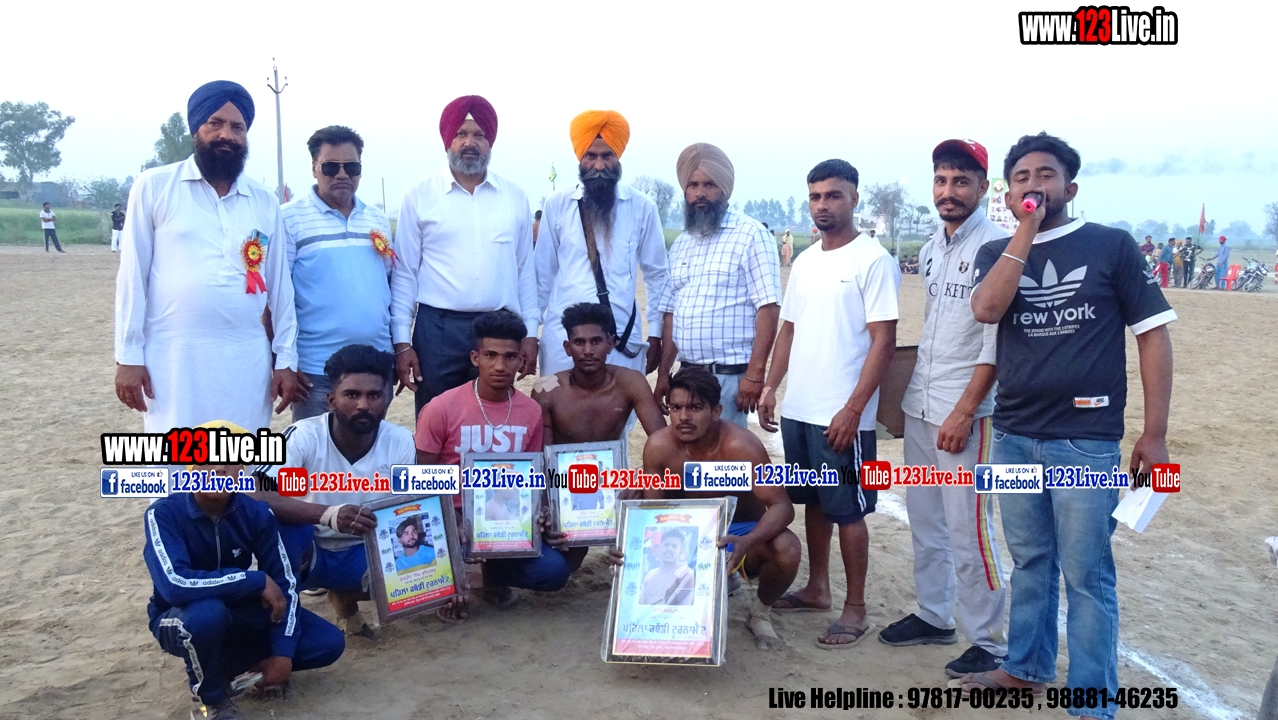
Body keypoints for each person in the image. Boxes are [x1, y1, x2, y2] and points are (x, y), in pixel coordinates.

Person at [966, 133, 1174, 719]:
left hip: (1086, 441)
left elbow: (1153, 336)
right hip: (1013, 436)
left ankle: (1091, 702)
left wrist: (1155, 433)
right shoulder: (997, 252)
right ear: (1008, 193)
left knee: (1087, 576)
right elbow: (986, 309)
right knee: (1031, 561)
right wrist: (1026, 232)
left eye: (1046, 175)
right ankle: (1025, 667)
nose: (1034, 185)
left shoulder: (1111, 245)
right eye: (1022, 178)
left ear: (1070, 187)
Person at [758, 159, 900, 650]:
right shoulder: (804, 261)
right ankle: (817, 589)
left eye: (834, 195)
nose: (823, 205)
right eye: (816, 196)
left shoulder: (872, 260)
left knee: (849, 511)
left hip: (843, 415)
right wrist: (771, 387)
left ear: (854, 199)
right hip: (800, 408)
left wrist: (854, 409)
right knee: (815, 503)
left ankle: (855, 608)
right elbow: (790, 328)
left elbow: (884, 341)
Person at [880, 140, 1008, 677]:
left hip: (966, 411)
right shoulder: (934, 246)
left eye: (960, 181)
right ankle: (935, 615)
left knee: (969, 528)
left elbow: (997, 341)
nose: (948, 191)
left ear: (983, 187)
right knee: (926, 519)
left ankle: (989, 641)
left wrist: (966, 408)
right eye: (941, 180)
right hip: (922, 403)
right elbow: (935, 326)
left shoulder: (998, 245)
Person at [115, 81, 303, 435]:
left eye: (237, 127)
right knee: (177, 452)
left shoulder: (263, 199)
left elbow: (281, 288)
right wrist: (128, 356)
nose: (226, 135)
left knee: (244, 451)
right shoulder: (154, 186)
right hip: (173, 358)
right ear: (195, 129)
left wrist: (286, 360)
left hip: (246, 358)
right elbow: (132, 278)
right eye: (214, 123)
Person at [144, 443, 343, 719]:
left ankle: (232, 669)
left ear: (242, 470)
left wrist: (283, 654)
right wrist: (252, 580)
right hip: (178, 616)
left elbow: (285, 583)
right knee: (207, 614)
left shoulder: (256, 512)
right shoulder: (164, 513)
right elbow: (175, 585)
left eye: (230, 461)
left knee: (327, 642)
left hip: (238, 609)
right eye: (206, 461)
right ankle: (210, 700)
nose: (219, 468)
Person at [610, 367, 800, 649]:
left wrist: (748, 540)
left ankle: (760, 613)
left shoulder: (741, 447)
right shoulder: (659, 446)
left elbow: (782, 506)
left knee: (787, 548)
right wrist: (629, 542)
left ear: (716, 411)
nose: (683, 417)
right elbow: (653, 515)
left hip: (737, 532)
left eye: (695, 408)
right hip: (686, 532)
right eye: (676, 408)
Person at [252, 344, 428, 638]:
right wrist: (328, 515)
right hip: (311, 547)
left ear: (386, 398)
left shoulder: (399, 440)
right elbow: (253, 493)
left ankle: (346, 599)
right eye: (352, 395)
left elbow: (416, 507)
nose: (363, 405)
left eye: (374, 395)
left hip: (365, 550)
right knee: (281, 529)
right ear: (331, 399)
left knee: (425, 569)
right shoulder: (303, 435)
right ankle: (279, 626)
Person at [415, 309, 574, 616]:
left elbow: (531, 479)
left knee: (553, 572)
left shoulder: (530, 411)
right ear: (475, 358)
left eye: (510, 357)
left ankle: (488, 576)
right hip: (452, 517)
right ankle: (453, 577)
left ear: (521, 360)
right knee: (434, 560)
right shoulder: (441, 407)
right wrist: (452, 522)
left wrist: (539, 513)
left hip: (505, 519)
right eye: (490, 355)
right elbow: (422, 478)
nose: (500, 366)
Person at [392, 96, 539, 418]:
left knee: (495, 418)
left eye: (479, 135)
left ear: (490, 142)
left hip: (499, 328)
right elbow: (405, 273)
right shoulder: (419, 195)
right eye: (461, 134)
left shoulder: (514, 197)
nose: (470, 143)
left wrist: (530, 333)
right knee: (435, 417)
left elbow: (525, 270)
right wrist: (402, 342)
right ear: (448, 139)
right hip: (437, 330)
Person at [655, 143, 781, 428]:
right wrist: (663, 373)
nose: (700, 193)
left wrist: (754, 374)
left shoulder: (751, 235)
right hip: (686, 378)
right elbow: (671, 313)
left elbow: (768, 307)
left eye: (709, 184)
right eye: (693, 185)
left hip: (730, 379)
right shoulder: (681, 244)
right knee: (687, 452)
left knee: (725, 454)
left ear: (724, 189)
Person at [536, 110, 667, 382]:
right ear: (580, 159)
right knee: (555, 403)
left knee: (621, 408)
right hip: (563, 342)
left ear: (618, 158)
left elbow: (657, 276)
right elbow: (541, 276)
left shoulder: (642, 208)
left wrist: (655, 334)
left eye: (607, 156)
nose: (599, 165)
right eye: (591, 156)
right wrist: (528, 333)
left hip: (619, 340)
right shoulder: (557, 205)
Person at [281, 125, 395, 422]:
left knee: (372, 448)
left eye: (351, 167)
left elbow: (390, 287)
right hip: (317, 373)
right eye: (331, 167)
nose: (342, 175)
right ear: (314, 168)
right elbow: (277, 299)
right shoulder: (288, 219)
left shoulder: (377, 219)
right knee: (315, 448)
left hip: (375, 368)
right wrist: (284, 362)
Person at [532, 302, 666, 445]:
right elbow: (543, 453)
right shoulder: (547, 391)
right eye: (579, 342)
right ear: (568, 348)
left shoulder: (631, 383)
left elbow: (663, 439)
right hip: (560, 460)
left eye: (596, 341)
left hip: (612, 460)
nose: (588, 351)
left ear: (609, 344)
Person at [640, 529, 695, 605]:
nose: (669, 549)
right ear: (660, 548)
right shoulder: (650, 574)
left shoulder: (685, 573)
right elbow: (641, 603)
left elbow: (683, 607)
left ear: (681, 551)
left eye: (674, 546)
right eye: (666, 545)